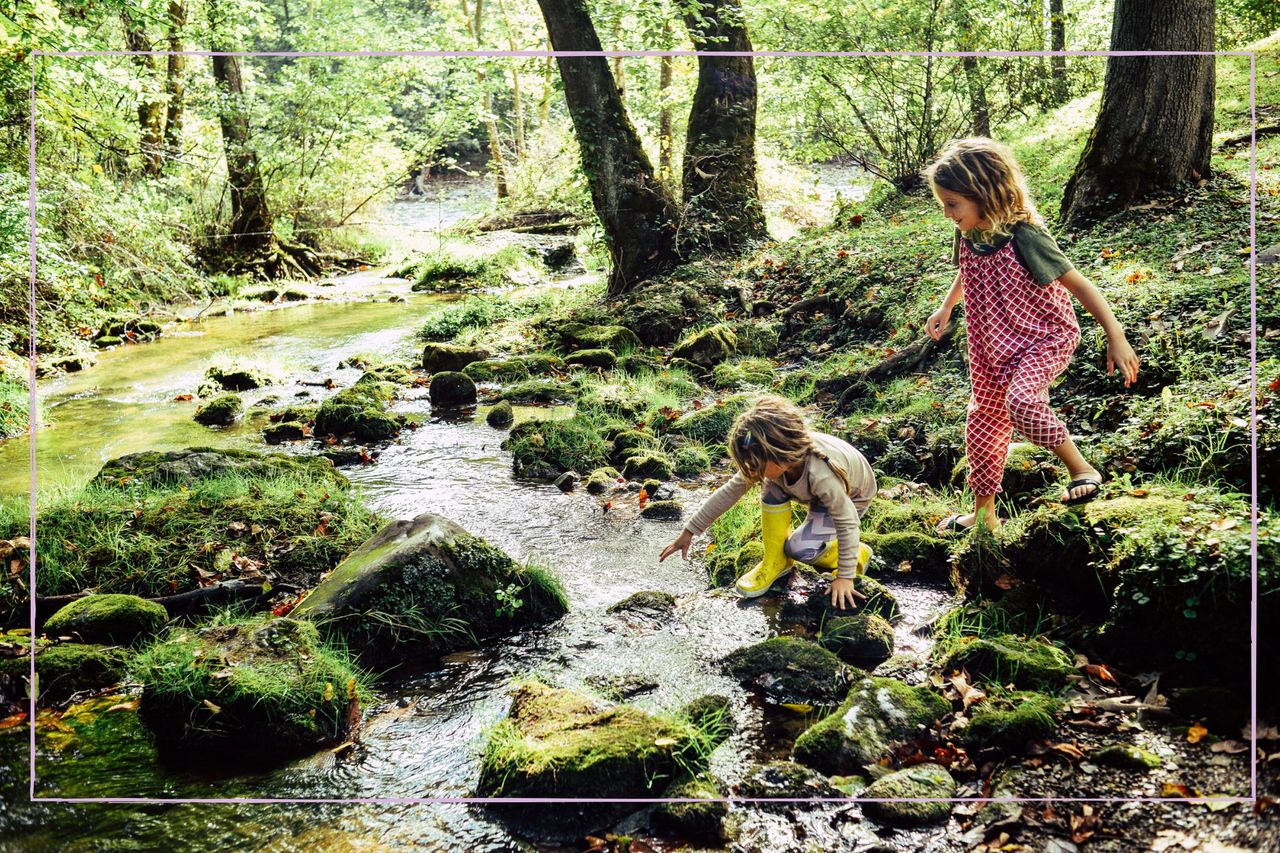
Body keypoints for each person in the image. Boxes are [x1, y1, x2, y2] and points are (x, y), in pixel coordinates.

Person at [922, 137, 1141, 533]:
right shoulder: (970, 231)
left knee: (1022, 402)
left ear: (983, 194)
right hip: (990, 345)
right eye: (944, 205)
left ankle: (1081, 468)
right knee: (983, 421)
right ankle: (984, 513)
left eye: (952, 204)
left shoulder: (1026, 236)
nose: (947, 213)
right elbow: (966, 271)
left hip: (1043, 337)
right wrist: (947, 306)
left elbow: (1080, 285)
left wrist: (1116, 335)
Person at [658, 395, 877, 610]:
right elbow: (729, 492)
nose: (752, 473)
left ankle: (857, 554)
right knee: (770, 487)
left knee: (799, 549)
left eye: (756, 466)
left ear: (779, 455)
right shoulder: (774, 461)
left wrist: (846, 577)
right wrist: (689, 531)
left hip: (852, 496)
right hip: (813, 490)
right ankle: (775, 561)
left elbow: (846, 521)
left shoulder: (822, 475)